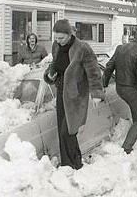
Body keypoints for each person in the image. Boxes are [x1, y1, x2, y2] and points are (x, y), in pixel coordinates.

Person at [44, 19, 105, 169]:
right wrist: (50, 75)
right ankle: (69, 163)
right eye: (56, 38)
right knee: (63, 131)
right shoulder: (56, 46)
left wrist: (96, 93)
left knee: (68, 131)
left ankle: (75, 164)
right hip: (61, 90)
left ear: (69, 34)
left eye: (61, 38)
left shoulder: (82, 48)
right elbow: (55, 64)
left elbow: (93, 72)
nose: (58, 41)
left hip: (76, 94)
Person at [102, 28, 137, 154]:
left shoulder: (121, 48)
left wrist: (104, 84)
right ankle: (126, 149)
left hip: (120, 88)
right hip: (132, 89)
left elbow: (109, 67)